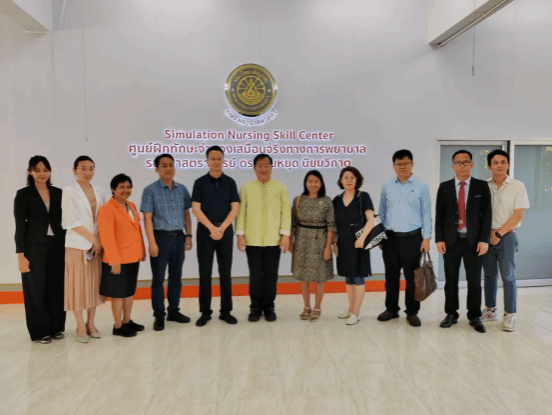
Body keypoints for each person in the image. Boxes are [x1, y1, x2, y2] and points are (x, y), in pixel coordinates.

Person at [435, 150, 492, 333]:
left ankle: (474, 316)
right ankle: (451, 314)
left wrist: (484, 240)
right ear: (453, 166)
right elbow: (439, 215)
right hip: (451, 241)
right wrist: (439, 239)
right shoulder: (444, 187)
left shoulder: (481, 186)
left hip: (474, 242)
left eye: (465, 162)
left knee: (474, 281)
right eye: (458, 162)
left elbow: (487, 215)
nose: (461, 165)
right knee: (450, 280)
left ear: (471, 165)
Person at [14, 156, 66, 344]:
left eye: (45, 170)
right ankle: (40, 331)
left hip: (57, 246)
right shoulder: (23, 194)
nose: (42, 173)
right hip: (34, 248)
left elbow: (64, 220)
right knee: (36, 289)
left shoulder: (58, 192)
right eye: (37, 170)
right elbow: (20, 226)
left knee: (57, 287)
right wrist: (21, 255)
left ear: (50, 171)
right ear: (30, 172)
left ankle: (56, 327)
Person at [378, 149, 432, 327]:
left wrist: (426, 238)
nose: (402, 167)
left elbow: (426, 213)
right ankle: (391, 309)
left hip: (413, 238)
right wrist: (380, 236)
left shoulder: (421, 186)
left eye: (405, 163)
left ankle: (412, 312)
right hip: (390, 238)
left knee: (412, 278)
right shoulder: (387, 186)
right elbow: (382, 212)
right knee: (391, 276)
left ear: (412, 164)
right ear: (394, 166)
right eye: (398, 164)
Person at [236, 154, 291, 322]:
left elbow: (286, 212)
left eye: (267, 165)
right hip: (252, 239)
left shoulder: (280, 187)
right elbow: (241, 213)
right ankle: (255, 308)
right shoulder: (246, 188)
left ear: (271, 167)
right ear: (254, 168)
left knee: (271, 276)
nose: (263, 169)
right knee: (255, 276)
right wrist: (240, 235)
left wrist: (285, 236)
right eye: (260, 165)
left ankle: (269, 307)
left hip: (274, 240)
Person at [140, 153, 192, 331]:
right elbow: (147, 218)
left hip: (179, 237)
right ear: (157, 169)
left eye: (171, 165)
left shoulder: (182, 189)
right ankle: (159, 315)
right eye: (164, 165)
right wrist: (152, 242)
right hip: (160, 238)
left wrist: (189, 235)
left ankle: (173, 311)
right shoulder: (150, 190)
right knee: (158, 279)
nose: (168, 168)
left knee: (176, 278)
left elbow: (186, 214)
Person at [481, 149, 530, 332]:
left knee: (508, 276)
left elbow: (518, 215)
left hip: (507, 236)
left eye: (503, 162)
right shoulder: (483, 186)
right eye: (495, 162)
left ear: (508, 164)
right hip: (487, 237)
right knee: (489, 274)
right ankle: (490, 310)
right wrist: (488, 234)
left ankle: (509, 314)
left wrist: (499, 233)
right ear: (489, 166)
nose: (499, 165)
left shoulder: (518, 186)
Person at [191, 146, 240, 327]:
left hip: (225, 231)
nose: (216, 162)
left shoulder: (230, 182)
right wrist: (212, 228)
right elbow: (196, 209)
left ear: (223, 160)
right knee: (205, 272)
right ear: (207, 161)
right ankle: (205, 312)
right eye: (212, 159)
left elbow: (235, 208)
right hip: (205, 231)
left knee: (225, 272)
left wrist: (222, 228)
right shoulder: (199, 182)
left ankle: (226, 311)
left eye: (219, 158)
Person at [62, 155, 107, 343]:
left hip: (96, 247)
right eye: (83, 168)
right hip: (77, 245)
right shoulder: (69, 191)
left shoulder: (100, 190)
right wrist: (93, 239)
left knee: (93, 286)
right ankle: (80, 324)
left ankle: (91, 322)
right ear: (74, 170)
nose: (88, 172)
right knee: (77, 287)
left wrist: (100, 240)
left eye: (91, 168)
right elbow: (71, 221)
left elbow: (103, 218)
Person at [98, 174, 146, 337]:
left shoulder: (131, 205)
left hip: (133, 255)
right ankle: (118, 326)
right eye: (121, 187)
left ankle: (127, 320)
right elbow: (107, 237)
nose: (126, 190)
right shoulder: (106, 209)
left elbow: (137, 229)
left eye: (128, 187)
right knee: (118, 294)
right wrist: (114, 260)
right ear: (113, 189)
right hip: (117, 259)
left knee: (129, 291)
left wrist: (142, 250)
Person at [291, 170, 336, 322]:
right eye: (310, 181)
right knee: (303, 277)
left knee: (319, 277)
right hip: (302, 241)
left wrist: (328, 247)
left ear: (321, 183)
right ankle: (306, 306)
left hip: (320, 242)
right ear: (305, 183)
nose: (313, 184)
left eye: (316, 181)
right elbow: (293, 223)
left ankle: (317, 307)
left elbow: (331, 226)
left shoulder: (327, 201)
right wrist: (291, 242)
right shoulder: (298, 200)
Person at [332, 167, 374, 325]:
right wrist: (334, 243)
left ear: (357, 180)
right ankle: (350, 308)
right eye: (346, 177)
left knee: (358, 277)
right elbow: (334, 225)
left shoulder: (363, 196)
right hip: (343, 243)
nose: (349, 180)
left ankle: (356, 313)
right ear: (341, 180)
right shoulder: (336, 200)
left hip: (359, 243)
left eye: (352, 177)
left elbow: (371, 220)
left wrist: (362, 239)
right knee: (348, 277)